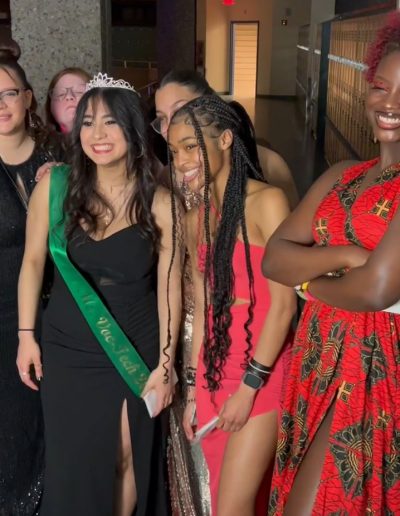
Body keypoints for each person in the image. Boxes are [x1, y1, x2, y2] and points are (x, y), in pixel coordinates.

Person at [17, 73, 183, 516]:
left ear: (133, 129)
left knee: (125, 461)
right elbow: (32, 263)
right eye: (88, 122)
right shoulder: (55, 187)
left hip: (134, 349)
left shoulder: (161, 203)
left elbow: (169, 288)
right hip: (67, 350)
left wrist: (166, 365)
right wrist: (26, 335)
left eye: (111, 122)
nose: (97, 134)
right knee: (74, 463)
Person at [262, 13, 400, 515]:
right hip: (319, 355)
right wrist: (344, 257)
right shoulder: (343, 173)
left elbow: (375, 290)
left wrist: (308, 283)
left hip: (377, 365)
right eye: (382, 87)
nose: (390, 103)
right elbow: (274, 257)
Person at [168, 94, 295, 516]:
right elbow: (205, 307)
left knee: (233, 506)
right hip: (214, 372)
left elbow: (283, 307)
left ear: (225, 139)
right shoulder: (194, 219)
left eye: (191, 146)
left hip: (263, 372)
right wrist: (192, 389)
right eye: (174, 151)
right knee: (224, 496)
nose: (181, 161)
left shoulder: (268, 202)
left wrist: (248, 388)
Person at [0, 40, 62, 514]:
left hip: (58, 313)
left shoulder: (59, 155)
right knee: (12, 425)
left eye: (8, 93)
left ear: (28, 97)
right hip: (4, 321)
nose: (1, 106)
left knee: (53, 422)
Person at [153, 69, 299, 209]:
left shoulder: (270, 164)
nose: (171, 127)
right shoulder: (167, 179)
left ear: (210, 105)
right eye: (162, 118)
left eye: (180, 110)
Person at [45, 67, 90, 135]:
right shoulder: (38, 141)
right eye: (61, 94)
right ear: (50, 108)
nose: (69, 96)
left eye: (79, 91)